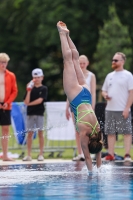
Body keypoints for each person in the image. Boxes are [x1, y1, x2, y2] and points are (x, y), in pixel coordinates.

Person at [57, 21, 102, 172]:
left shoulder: (98, 131)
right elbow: (88, 158)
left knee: (75, 59)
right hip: (76, 97)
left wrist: (99, 169)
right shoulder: (84, 133)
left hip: (86, 93)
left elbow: (98, 157)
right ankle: (62, 34)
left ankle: (68, 35)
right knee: (68, 61)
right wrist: (92, 174)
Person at [102, 52, 133, 161]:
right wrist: (105, 95)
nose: (113, 62)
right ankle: (111, 154)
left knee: (127, 132)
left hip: (123, 109)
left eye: (116, 60)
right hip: (110, 109)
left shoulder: (128, 75)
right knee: (110, 132)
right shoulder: (109, 76)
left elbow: (131, 92)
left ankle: (127, 154)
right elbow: (104, 90)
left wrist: (127, 108)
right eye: (113, 60)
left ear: (122, 61)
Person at [66, 55, 96, 161]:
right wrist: (67, 107)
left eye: (84, 63)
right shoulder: (73, 75)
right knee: (77, 130)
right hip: (75, 105)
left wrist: (92, 107)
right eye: (80, 63)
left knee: (88, 130)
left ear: (87, 63)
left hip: (86, 106)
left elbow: (93, 92)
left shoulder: (91, 76)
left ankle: (88, 151)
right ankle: (80, 153)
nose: (82, 65)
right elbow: (69, 91)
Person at [23, 68, 48, 161]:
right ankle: (29, 154)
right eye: (35, 77)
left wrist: (29, 104)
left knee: (40, 133)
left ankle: (41, 154)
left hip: (39, 113)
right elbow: (26, 100)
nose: (37, 79)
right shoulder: (30, 88)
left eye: (38, 77)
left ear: (42, 77)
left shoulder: (44, 88)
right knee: (29, 133)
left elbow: (40, 100)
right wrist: (29, 90)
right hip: (30, 113)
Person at [0, 53, 18, 161]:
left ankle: (5, 154)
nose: (3, 64)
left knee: (5, 129)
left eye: (5, 62)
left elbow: (14, 91)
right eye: (1, 62)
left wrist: (8, 102)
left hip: (6, 105)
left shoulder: (11, 75)